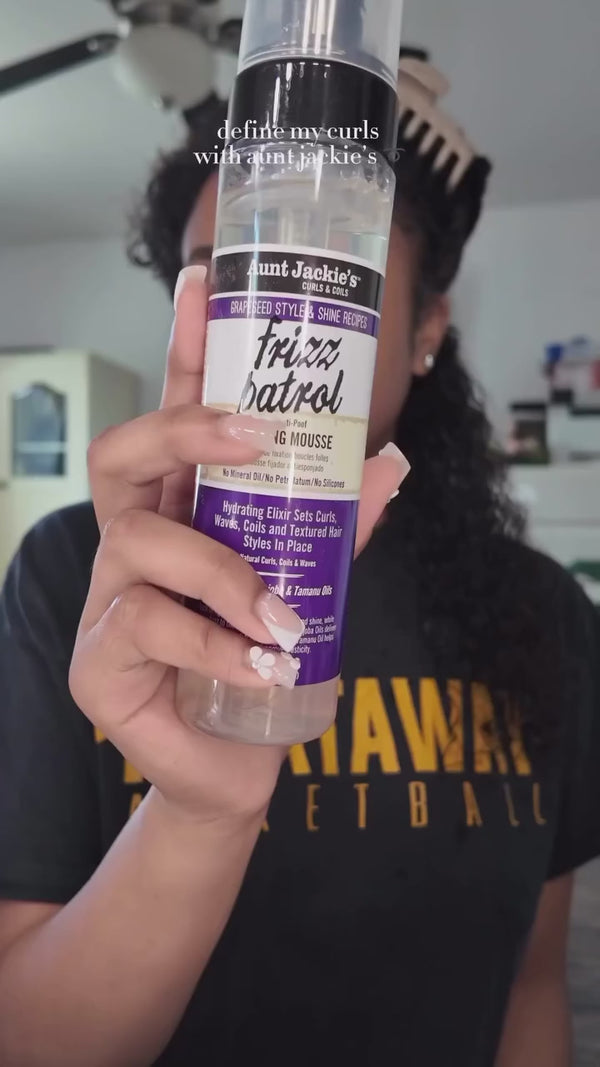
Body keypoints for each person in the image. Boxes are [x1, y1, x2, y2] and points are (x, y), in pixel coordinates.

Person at [1, 52, 599, 1067]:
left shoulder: (545, 615)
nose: (272, 322)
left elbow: (533, 985)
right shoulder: (79, 580)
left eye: (319, 274)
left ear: (425, 330)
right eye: (228, 277)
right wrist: (200, 814)